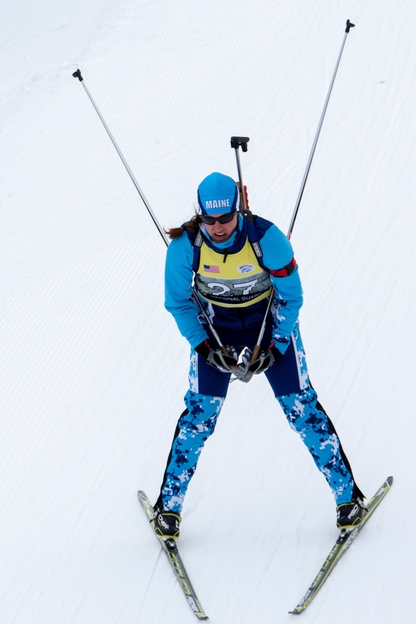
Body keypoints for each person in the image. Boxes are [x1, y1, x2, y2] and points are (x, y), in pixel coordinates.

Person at [152, 171, 365, 540]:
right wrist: (203, 346)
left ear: (240, 210)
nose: (218, 228)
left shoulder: (268, 239)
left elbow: (291, 297)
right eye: (209, 220)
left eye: (225, 219)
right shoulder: (185, 247)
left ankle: (348, 499)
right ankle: (167, 508)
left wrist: (277, 344)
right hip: (216, 333)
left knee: (302, 409)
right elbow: (179, 303)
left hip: (269, 328)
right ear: (199, 215)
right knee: (199, 417)